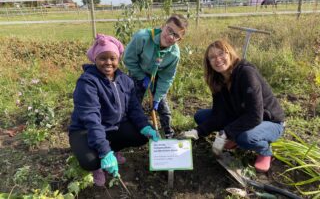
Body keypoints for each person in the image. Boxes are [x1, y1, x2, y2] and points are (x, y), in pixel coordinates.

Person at [180, 39, 285, 172]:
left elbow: (255, 116)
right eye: (212, 57)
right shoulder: (218, 79)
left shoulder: (246, 73)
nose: (217, 59)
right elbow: (219, 114)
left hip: (269, 121)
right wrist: (197, 131)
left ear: (230, 53)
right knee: (201, 117)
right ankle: (236, 136)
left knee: (246, 138)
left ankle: (264, 150)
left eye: (221, 54)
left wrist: (226, 133)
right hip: (241, 115)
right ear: (209, 63)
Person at [68, 34, 159, 187]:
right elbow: (91, 119)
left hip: (112, 126)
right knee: (90, 161)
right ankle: (99, 164)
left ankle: (113, 150)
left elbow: (134, 108)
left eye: (112, 58)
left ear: (118, 60)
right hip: (85, 129)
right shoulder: (88, 82)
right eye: (103, 58)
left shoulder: (125, 80)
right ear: (95, 59)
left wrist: (145, 126)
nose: (108, 63)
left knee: (140, 135)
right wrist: (103, 151)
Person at [123, 14, 188, 139]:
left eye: (176, 35)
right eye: (169, 30)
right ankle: (132, 129)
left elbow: (167, 78)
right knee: (134, 102)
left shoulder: (174, 55)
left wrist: (157, 97)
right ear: (163, 26)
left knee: (162, 104)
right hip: (138, 71)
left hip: (157, 75)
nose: (170, 36)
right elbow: (129, 59)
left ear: (179, 39)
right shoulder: (142, 37)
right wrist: (141, 77)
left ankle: (168, 131)